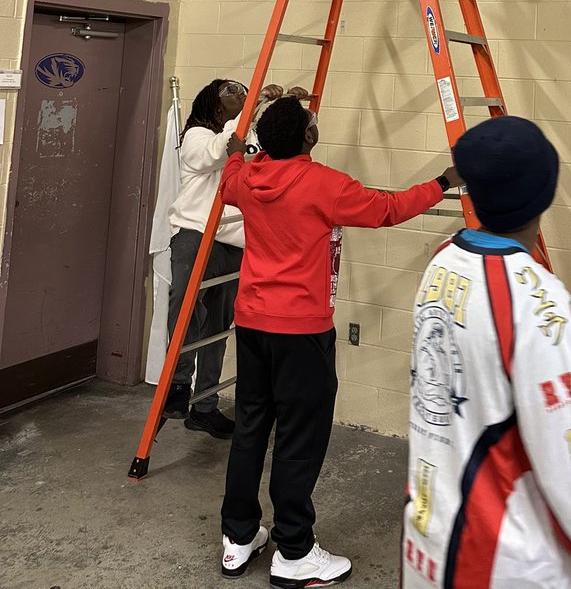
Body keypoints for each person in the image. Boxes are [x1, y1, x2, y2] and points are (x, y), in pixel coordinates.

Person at [403, 115, 571, 589]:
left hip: (429, 543)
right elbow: (567, 472)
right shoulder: (538, 302)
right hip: (506, 562)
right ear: (545, 192)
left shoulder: (441, 265)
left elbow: (479, 411)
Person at [218, 95, 462, 586]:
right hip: (301, 332)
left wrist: (239, 150)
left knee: (250, 429)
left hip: (252, 324)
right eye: (312, 122)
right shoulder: (323, 185)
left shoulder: (246, 178)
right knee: (298, 439)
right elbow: (389, 210)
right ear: (308, 138)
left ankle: (239, 537)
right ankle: (294, 552)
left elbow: (229, 175)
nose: (315, 124)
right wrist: (444, 182)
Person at [163, 77, 299, 436]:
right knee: (186, 305)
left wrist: (292, 109)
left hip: (234, 242)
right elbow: (223, 148)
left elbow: (278, 148)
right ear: (214, 104)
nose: (240, 94)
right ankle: (177, 384)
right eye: (232, 92)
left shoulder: (247, 135)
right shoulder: (197, 137)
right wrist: (258, 101)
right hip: (196, 234)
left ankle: (204, 406)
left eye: (244, 90)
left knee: (217, 327)